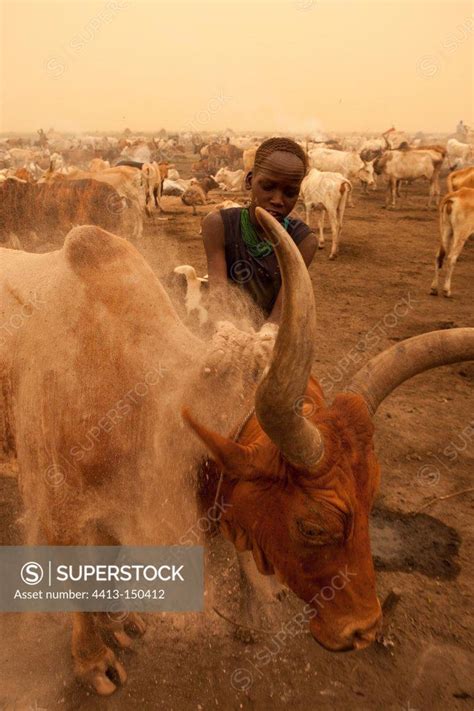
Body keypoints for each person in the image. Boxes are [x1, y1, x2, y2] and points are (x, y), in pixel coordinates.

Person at [202, 137, 317, 324]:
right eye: (268, 187)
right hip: (225, 328)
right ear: (249, 181)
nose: (278, 200)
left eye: (290, 193)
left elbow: (282, 310)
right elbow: (219, 298)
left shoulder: (303, 242)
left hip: (273, 336)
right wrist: (228, 334)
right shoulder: (217, 225)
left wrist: (265, 337)